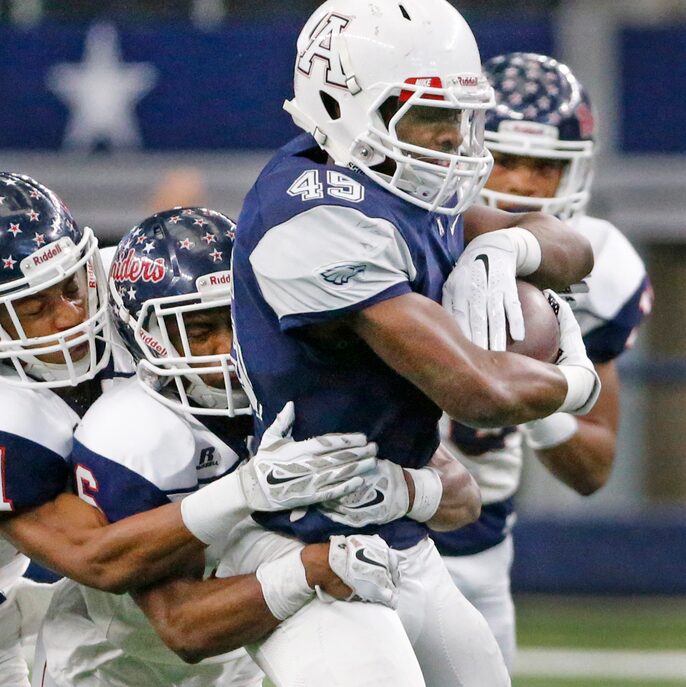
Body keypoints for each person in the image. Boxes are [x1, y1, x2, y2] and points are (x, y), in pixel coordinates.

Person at [0, 174, 386, 687]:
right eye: (31, 307)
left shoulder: (112, 288)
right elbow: (98, 558)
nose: (69, 316)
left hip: (0, 610)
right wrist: (246, 489)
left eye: (68, 286)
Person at [227, 1, 602, 685]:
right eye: (431, 114)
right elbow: (476, 392)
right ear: (344, 105)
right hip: (300, 538)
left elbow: (573, 249)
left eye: (464, 115)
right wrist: (578, 380)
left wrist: (510, 243)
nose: (457, 140)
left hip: (395, 529)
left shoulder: (400, 186)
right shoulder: (312, 212)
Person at [32, 207, 419, 687]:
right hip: (116, 664)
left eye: (238, 321)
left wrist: (410, 490)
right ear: (146, 335)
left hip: (237, 651)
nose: (228, 349)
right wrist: (310, 566)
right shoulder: (133, 433)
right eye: (199, 331)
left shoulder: (304, 382)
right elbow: (182, 627)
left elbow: (460, 499)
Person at [432, 52, 654, 669]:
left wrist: (537, 395)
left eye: (545, 167)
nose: (524, 185)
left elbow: (594, 466)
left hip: (478, 549)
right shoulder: (401, 235)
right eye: (506, 159)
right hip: (357, 530)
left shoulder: (600, 263)